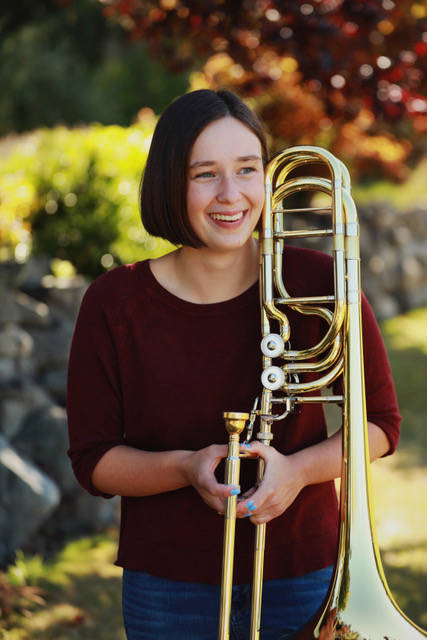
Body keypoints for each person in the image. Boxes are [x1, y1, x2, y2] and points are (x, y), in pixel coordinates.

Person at [66, 89, 401, 640]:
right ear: (169, 183)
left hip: (305, 571)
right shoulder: (114, 302)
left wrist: (297, 473)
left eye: (248, 169)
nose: (232, 194)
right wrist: (184, 468)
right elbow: (93, 460)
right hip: (169, 585)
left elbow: (380, 427)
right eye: (205, 174)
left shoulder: (323, 283)